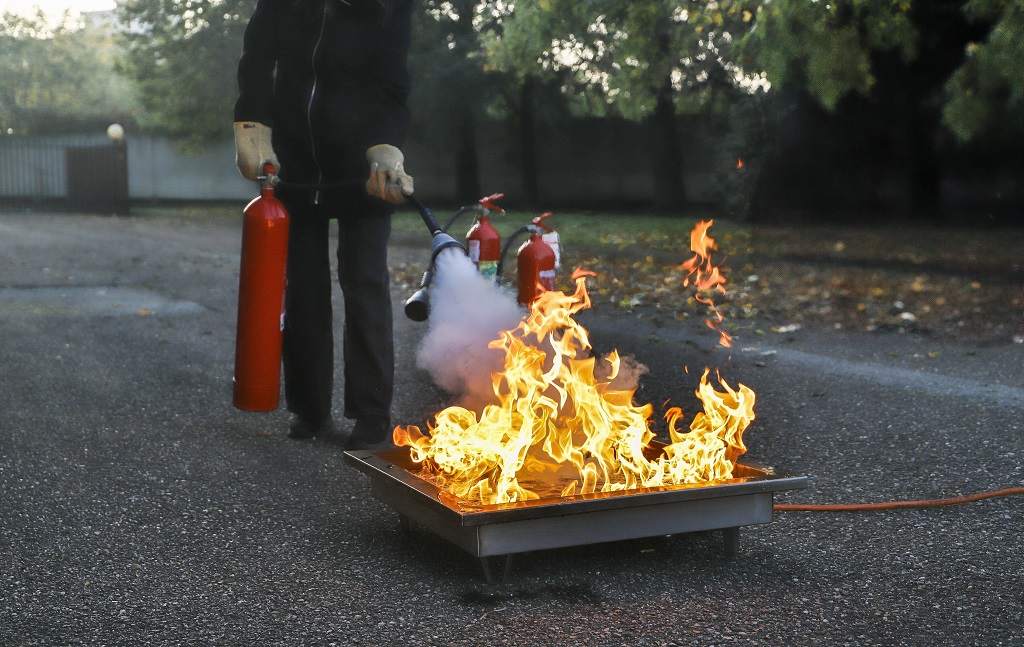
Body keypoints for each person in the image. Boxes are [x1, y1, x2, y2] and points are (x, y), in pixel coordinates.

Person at [233, 0, 414, 449]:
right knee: (303, 288)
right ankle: (309, 409)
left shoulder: (390, 6)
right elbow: (256, 60)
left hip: (363, 168)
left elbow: (392, 82)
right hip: (294, 165)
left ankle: (371, 413)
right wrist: (251, 128)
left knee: (364, 282)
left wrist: (386, 146)